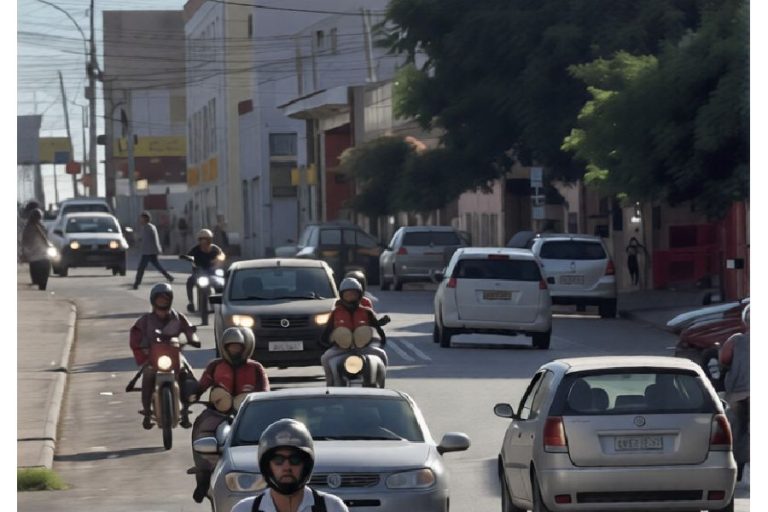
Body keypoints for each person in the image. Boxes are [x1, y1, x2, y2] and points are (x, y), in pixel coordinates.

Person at [191, 327, 270, 503]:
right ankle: (202, 477)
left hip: (248, 416)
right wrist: (193, 393)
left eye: (238, 347)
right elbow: (202, 384)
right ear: (223, 347)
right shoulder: (214, 366)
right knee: (200, 428)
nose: (234, 350)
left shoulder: (256, 368)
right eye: (230, 347)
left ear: (247, 347)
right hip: (217, 413)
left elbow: (265, 391)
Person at [231, 418, 349, 512]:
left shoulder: (332, 507)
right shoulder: (244, 509)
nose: (287, 467)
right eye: (278, 460)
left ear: (306, 465)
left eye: (295, 460)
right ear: (267, 466)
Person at [129, 283, 198, 430]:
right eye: (159, 299)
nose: (162, 301)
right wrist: (143, 349)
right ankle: (147, 412)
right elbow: (135, 336)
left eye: (165, 299)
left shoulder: (178, 317)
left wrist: (193, 339)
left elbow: (190, 331)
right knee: (148, 375)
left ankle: (185, 410)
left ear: (170, 300)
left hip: (174, 354)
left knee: (187, 373)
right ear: (153, 300)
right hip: (153, 357)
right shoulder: (145, 320)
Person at [319, 277, 387, 386]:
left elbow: (379, 331)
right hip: (341, 349)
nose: (350, 297)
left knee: (382, 355)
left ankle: (382, 385)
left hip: (364, 348)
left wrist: (380, 342)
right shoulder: (335, 313)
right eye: (347, 294)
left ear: (359, 295)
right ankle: (330, 386)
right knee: (325, 358)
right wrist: (331, 343)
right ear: (342, 295)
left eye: (353, 294)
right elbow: (325, 334)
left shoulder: (367, 312)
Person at [719, 304, 750, 482]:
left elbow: (724, 358)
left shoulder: (736, 339)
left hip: (738, 393)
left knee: (737, 430)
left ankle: (738, 469)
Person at [186, 228, 225, 312]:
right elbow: (188, 255)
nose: (203, 242)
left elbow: (222, 255)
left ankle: (219, 304)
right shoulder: (195, 250)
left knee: (220, 284)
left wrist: (219, 260)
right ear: (199, 240)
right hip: (199, 273)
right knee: (189, 281)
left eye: (206, 240)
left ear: (210, 240)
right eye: (201, 239)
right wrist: (189, 259)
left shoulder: (215, 249)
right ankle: (191, 303)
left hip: (212, 273)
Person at [133, 211, 174, 289]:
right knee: (157, 266)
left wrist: (138, 238)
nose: (140, 220)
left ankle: (136, 284)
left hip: (148, 252)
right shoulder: (150, 227)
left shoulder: (148, 227)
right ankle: (169, 277)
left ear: (145, 219)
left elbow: (146, 239)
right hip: (150, 251)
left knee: (141, 268)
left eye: (141, 218)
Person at [21, 208, 53, 290]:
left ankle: (43, 281)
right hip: (33, 253)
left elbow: (47, 237)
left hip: (43, 252)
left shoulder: (42, 226)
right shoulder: (29, 228)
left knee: (47, 263)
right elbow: (25, 240)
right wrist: (25, 251)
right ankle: (37, 280)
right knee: (35, 267)